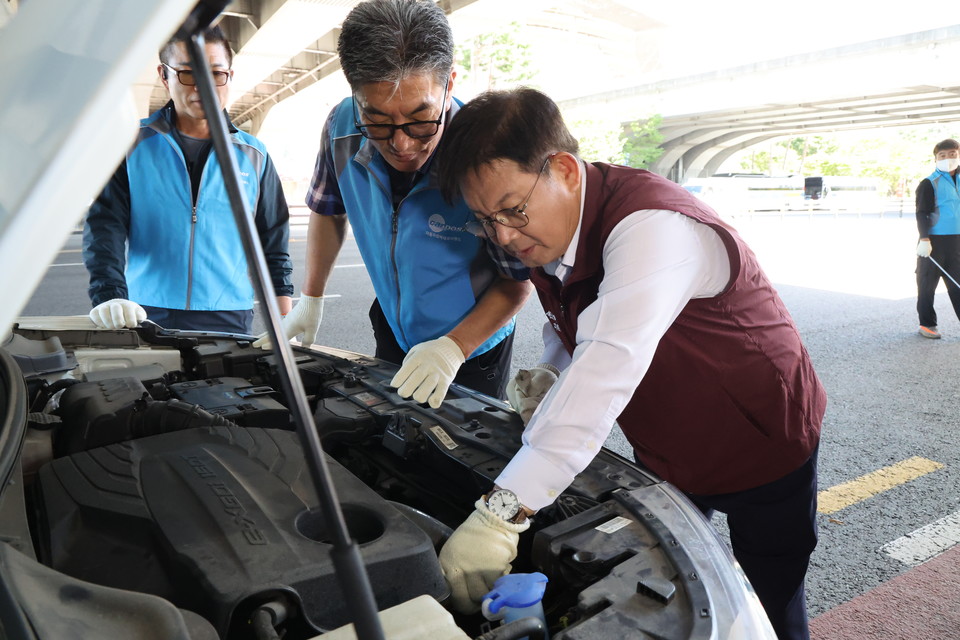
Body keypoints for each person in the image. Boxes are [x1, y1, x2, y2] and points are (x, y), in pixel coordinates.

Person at [434, 88, 826, 640]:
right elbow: (575, 316)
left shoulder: (652, 227)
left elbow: (607, 365)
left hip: (760, 436)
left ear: (565, 171)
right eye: (484, 219)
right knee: (669, 584)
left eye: (511, 210)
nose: (501, 235)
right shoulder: (549, 233)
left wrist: (503, 512)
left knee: (768, 596)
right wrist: (551, 372)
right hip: (669, 442)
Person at [257, 0, 531, 407]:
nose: (401, 144)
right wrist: (311, 297)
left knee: (460, 458)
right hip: (393, 328)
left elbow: (517, 280)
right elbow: (329, 210)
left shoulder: (486, 154)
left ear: (450, 84)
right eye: (379, 122)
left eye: (421, 120)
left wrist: (453, 348)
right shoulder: (340, 127)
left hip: (472, 348)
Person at [83, 26, 293, 334]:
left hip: (229, 313)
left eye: (216, 73)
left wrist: (285, 323)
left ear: (229, 76)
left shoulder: (254, 154)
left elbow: (273, 242)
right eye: (186, 73)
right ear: (164, 75)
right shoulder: (130, 144)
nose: (202, 87)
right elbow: (105, 227)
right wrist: (109, 295)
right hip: (145, 310)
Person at [915, 138, 960, 339]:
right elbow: (921, 213)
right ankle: (927, 324)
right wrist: (924, 239)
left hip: (957, 242)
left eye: (952, 154)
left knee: (957, 285)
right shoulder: (929, 183)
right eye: (942, 155)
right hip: (933, 242)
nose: (948, 158)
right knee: (927, 285)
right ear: (936, 159)